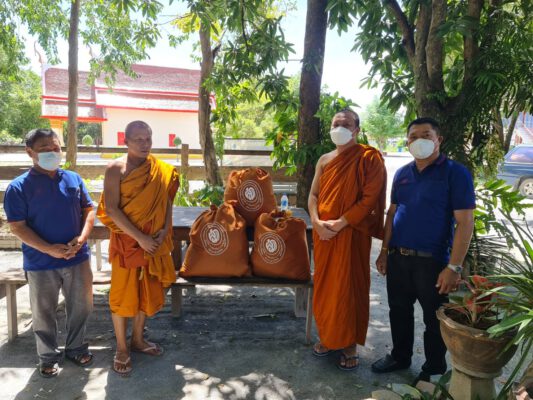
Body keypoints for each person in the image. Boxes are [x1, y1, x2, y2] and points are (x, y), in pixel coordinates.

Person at [371, 117, 475, 384]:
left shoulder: (455, 173)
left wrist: (454, 267)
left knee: (434, 318)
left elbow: (465, 223)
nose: (419, 141)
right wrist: (384, 250)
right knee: (398, 310)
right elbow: (392, 213)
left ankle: (434, 368)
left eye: (426, 135)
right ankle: (400, 356)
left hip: (433, 263)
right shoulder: (402, 174)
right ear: (407, 143)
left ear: (439, 139)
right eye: (413, 137)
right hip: (398, 258)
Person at [4, 128, 96, 378]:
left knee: (81, 306)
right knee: (43, 312)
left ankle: (76, 347)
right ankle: (47, 356)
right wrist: (49, 249)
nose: (53, 153)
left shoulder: (73, 179)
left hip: (77, 257)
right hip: (40, 262)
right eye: (45, 150)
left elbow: (89, 210)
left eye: (56, 148)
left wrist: (81, 239)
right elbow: (17, 227)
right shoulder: (19, 187)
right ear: (30, 153)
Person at [96, 120, 179, 376]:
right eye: (138, 139)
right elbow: (111, 209)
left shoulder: (160, 169)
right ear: (126, 141)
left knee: (147, 290)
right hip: (127, 243)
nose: (145, 144)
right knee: (122, 295)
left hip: (154, 242)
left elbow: (166, 203)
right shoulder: (115, 169)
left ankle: (138, 340)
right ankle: (121, 348)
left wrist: (164, 231)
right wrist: (140, 238)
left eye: (148, 139)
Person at [308, 109, 387, 370]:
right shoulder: (324, 159)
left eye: (346, 123)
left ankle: (349, 344)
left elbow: (370, 199)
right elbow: (314, 196)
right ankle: (329, 337)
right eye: (336, 123)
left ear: (356, 130)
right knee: (326, 286)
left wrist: (341, 223)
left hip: (352, 233)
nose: (340, 127)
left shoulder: (368, 157)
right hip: (324, 235)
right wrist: (317, 223)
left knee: (349, 287)